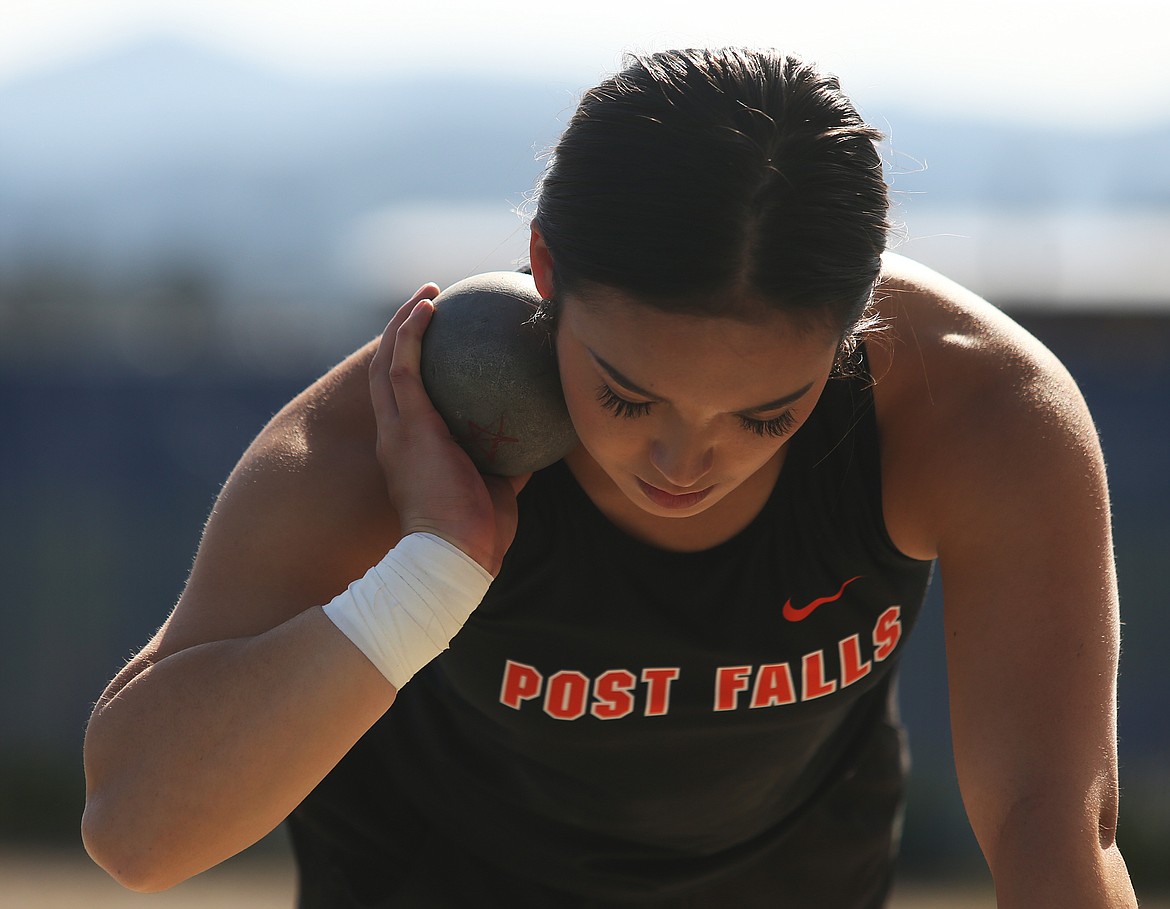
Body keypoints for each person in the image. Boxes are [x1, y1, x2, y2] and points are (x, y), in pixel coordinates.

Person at [80, 48, 1138, 907]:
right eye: (630, 398)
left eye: (769, 412)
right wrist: (431, 575)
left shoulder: (975, 413)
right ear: (545, 270)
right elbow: (138, 832)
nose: (685, 463)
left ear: (855, 329)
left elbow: (1053, 835)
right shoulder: (417, 412)